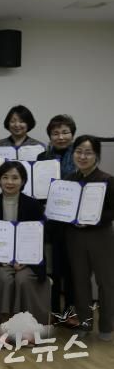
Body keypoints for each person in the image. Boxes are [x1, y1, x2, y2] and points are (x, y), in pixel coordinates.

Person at [0, 161, 49, 325]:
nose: (9, 182)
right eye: (5, 177)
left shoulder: (33, 205)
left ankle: (28, 324)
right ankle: (1, 322)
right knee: (3, 278)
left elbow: (39, 237)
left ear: (23, 181)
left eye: (15, 178)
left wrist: (26, 260)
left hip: (29, 260)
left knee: (23, 279)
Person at [62, 135, 114, 341]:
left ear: (96, 156)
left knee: (106, 282)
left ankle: (107, 325)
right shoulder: (68, 180)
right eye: (78, 152)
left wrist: (94, 220)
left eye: (88, 152)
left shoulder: (107, 180)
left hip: (100, 236)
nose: (82, 157)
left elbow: (112, 211)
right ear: (73, 154)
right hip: (75, 236)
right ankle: (84, 323)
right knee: (80, 281)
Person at [37, 114, 77, 315]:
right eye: (55, 133)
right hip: (49, 220)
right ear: (50, 136)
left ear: (72, 134)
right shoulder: (42, 158)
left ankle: (70, 310)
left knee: (71, 268)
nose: (60, 137)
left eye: (65, 132)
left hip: (73, 223)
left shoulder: (79, 156)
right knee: (50, 267)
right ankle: (52, 311)